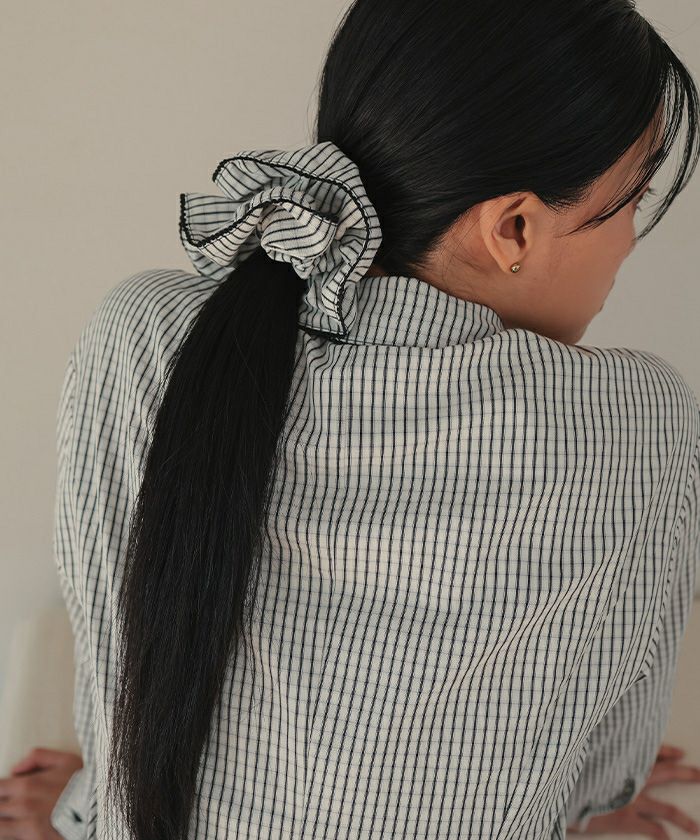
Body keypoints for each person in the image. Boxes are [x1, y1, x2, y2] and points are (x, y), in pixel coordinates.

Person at [3, 0, 700, 838]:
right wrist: (590, 806)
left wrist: (86, 807)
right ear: (513, 229)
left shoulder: (141, 332)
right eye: (633, 200)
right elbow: (604, 774)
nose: (630, 241)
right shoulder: (639, 422)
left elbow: (121, 674)